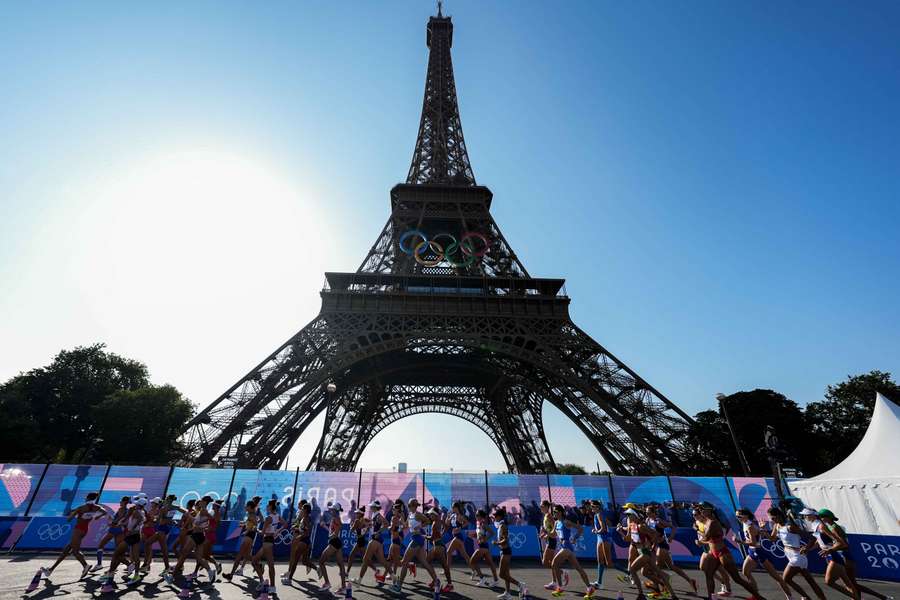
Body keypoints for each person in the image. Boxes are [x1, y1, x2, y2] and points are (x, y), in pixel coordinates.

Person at [815, 508, 891, 600]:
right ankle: (876, 597)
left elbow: (844, 544)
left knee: (850, 584)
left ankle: (882, 597)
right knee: (851, 584)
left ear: (828, 518)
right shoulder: (832, 526)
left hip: (844, 556)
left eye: (821, 517)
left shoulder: (833, 527)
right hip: (845, 555)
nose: (820, 519)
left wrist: (831, 549)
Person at [32, 491, 103, 587]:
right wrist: (96, 516)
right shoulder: (96, 507)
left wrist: (75, 513)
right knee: (66, 551)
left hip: (78, 530)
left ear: (87, 498)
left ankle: (85, 565)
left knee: (75, 551)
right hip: (85, 529)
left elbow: (69, 519)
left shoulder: (81, 508)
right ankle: (50, 570)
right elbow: (104, 512)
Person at [696, 502, 763, 600]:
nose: (700, 511)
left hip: (723, 553)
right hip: (714, 552)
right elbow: (709, 539)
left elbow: (706, 537)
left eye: (702, 509)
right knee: (708, 574)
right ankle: (711, 597)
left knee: (737, 579)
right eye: (700, 509)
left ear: (709, 510)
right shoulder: (707, 521)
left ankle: (758, 597)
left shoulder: (712, 522)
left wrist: (700, 541)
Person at [732, 508, 793, 600]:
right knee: (746, 572)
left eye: (740, 516)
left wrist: (739, 541)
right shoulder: (746, 523)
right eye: (736, 516)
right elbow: (758, 533)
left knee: (776, 577)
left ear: (746, 516)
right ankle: (755, 595)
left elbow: (754, 542)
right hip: (752, 552)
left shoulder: (750, 526)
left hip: (758, 552)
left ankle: (790, 597)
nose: (738, 518)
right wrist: (761, 529)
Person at [765, 506, 824, 600]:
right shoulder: (777, 526)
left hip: (797, 557)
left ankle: (806, 598)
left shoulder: (790, 526)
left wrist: (807, 548)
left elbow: (811, 537)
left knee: (786, 579)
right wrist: (763, 530)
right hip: (792, 555)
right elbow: (772, 539)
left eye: (773, 518)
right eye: (770, 518)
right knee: (811, 581)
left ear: (779, 516)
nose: (772, 520)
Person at [618, 508, 675, 600]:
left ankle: (641, 595)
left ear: (635, 516)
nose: (627, 517)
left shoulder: (641, 526)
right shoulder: (632, 526)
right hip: (644, 553)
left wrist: (651, 545)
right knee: (651, 573)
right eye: (627, 515)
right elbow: (628, 539)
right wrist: (620, 532)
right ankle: (671, 594)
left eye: (629, 515)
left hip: (645, 553)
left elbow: (656, 534)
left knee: (632, 570)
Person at [390, 498, 440, 594]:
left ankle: (399, 586)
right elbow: (405, 526)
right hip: (416, 539)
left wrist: (420, 526)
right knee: (424, 562)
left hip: (417, 539)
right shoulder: (410, 515)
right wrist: (400, 519)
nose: (409, 507)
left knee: (404, 562)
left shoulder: (418, 514)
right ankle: (436, 581)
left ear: (413, 506)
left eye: (411, 505)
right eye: (411, 505)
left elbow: (428, 521)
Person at [646, 503, 696, 593]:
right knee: (671, 567)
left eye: (649, 513)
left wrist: (671, 537)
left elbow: (673, 527)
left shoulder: (658, 521)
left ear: (654, 513)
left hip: (662, 546)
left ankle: (659, 587)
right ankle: (690, 580)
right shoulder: (647, 520)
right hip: (656, 546)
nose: (647, 514)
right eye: (646, 513)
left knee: (656, 567)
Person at [99, 497, 147, 590]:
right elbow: (130, 521)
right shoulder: (140, 511)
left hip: (131, 536)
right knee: (136, 557)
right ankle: (135, 574)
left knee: (116, 554)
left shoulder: (137, 512)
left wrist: (131, 528)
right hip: (136, 536)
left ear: (138, 505)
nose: (134, 505)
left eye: (136, 504)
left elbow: (138, 520)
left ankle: (111, 576)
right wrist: (120, 524)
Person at [548, 504, 596, 598]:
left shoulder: (566, 522)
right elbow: (553, 535)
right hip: (563, 547)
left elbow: (580, 529)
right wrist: (545, 533)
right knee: (579, 569)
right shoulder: (556, 522)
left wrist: (575, 537)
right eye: (553, 512)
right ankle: (589, 588)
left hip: (567, 546)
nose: (554, 513)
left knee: (554, 564)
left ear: (561, 512)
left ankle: (560, 587)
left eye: (555, 512)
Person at [251, 499, 284, 598]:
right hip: (268, 542)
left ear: (270, 507)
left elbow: (262, 533)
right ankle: (262, 581)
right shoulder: (277, 516)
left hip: (267, 542)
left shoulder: (268, 518)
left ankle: (272, 586)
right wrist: (277, 531)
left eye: (267, 506)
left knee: (270, 565)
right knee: (254, 561)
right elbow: (285, 524)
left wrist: (255, 529)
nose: (266, 507)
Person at [91, 496, 130, 573]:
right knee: (106, 547)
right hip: (115, 530)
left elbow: (121, 521)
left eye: (121, 501)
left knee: (114, 550)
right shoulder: (121, 510)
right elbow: (117, 520)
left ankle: (129, 565)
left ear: (124, 502)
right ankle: (101, 565)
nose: (120, 502)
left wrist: (112, 522)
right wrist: (111, 520)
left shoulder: (125, 511)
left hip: (117, 530)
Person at [357, 500, 393, 585]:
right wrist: (370, 525)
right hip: (377, 540)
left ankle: (358, 581)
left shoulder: (378, 516)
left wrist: (378, 532)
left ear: (374, 507)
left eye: (372, 506)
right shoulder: (374, 515)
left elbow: (387, 524)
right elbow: (375, 525)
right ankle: (394, 577)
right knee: (382, 561)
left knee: (365, 559)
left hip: (375, 540)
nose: (370, 507)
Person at [493, 506, 523, 600]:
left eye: (496, 516)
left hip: (506, 552)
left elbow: (506, 540)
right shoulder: (500, 525)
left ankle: (519, 584)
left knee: (501, 574)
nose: (494, 517)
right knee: (506, 574)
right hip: (503, 551)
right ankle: (508, 593)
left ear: (500, 517)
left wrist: (496, 543)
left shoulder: (503, 526)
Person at [318, 502, 349, 593]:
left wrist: (331, 536)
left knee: (321, 562)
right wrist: (325, 527)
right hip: (337, 542)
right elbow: (332, 532)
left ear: (335, 510)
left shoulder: (336, 519)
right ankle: (343, 587)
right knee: (341, 565)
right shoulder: (335, 518)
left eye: (332, 509)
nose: (330, 510)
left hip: (334, 543)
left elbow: (335, 533)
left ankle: (327, 583)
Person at [225, 500, 259, 582]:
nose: (245, 507)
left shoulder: (252, 515)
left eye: (246, 506)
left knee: (239, 556)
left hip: (248, 536)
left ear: (250, 507)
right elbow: (251, 524)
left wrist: (247, 531)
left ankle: (231, 574)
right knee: (247, 556)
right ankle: (259, 566)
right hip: (250, 536)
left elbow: (255, 525)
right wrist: (244, 524)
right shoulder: (250, 515)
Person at [469, 508, 500, 588]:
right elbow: (479, 535)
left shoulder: (483, 524)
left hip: (483, 546)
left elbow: (492, 533)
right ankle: (496, 580)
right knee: (491, 564)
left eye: (477, 515)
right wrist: (474, 536)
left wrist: (484, 539)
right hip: (484, 547)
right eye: (475, 515)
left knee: (472, 561)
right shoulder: (478, 523)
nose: (476, 516)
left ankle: (482, 579)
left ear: (481, 516)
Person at [427, 506, 455, 593]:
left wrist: (422, 536)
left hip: (439, 547)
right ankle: (435, 580)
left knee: (444, 566)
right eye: (430, 514)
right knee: (427, 561)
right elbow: (446, 526)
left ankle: (450, 585)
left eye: (431, 514)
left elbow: (432, 538)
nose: (430, 516)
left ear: (435, 515)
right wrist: (441, 533)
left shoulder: (435, 523)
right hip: (438, 546)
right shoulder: (438, 521)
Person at [446, 501, 474, 580]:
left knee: (448, 552)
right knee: (465, 556)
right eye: (452, 507)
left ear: (456, 508)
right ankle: (474, 570)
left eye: (453, 507)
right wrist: (448, 517)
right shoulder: (452, 515)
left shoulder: (460, 516)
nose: (452, 508)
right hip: (456, 536)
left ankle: (447, 570)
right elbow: (447, 524)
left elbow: (467, 523)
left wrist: (460, 528)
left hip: (458, 537)